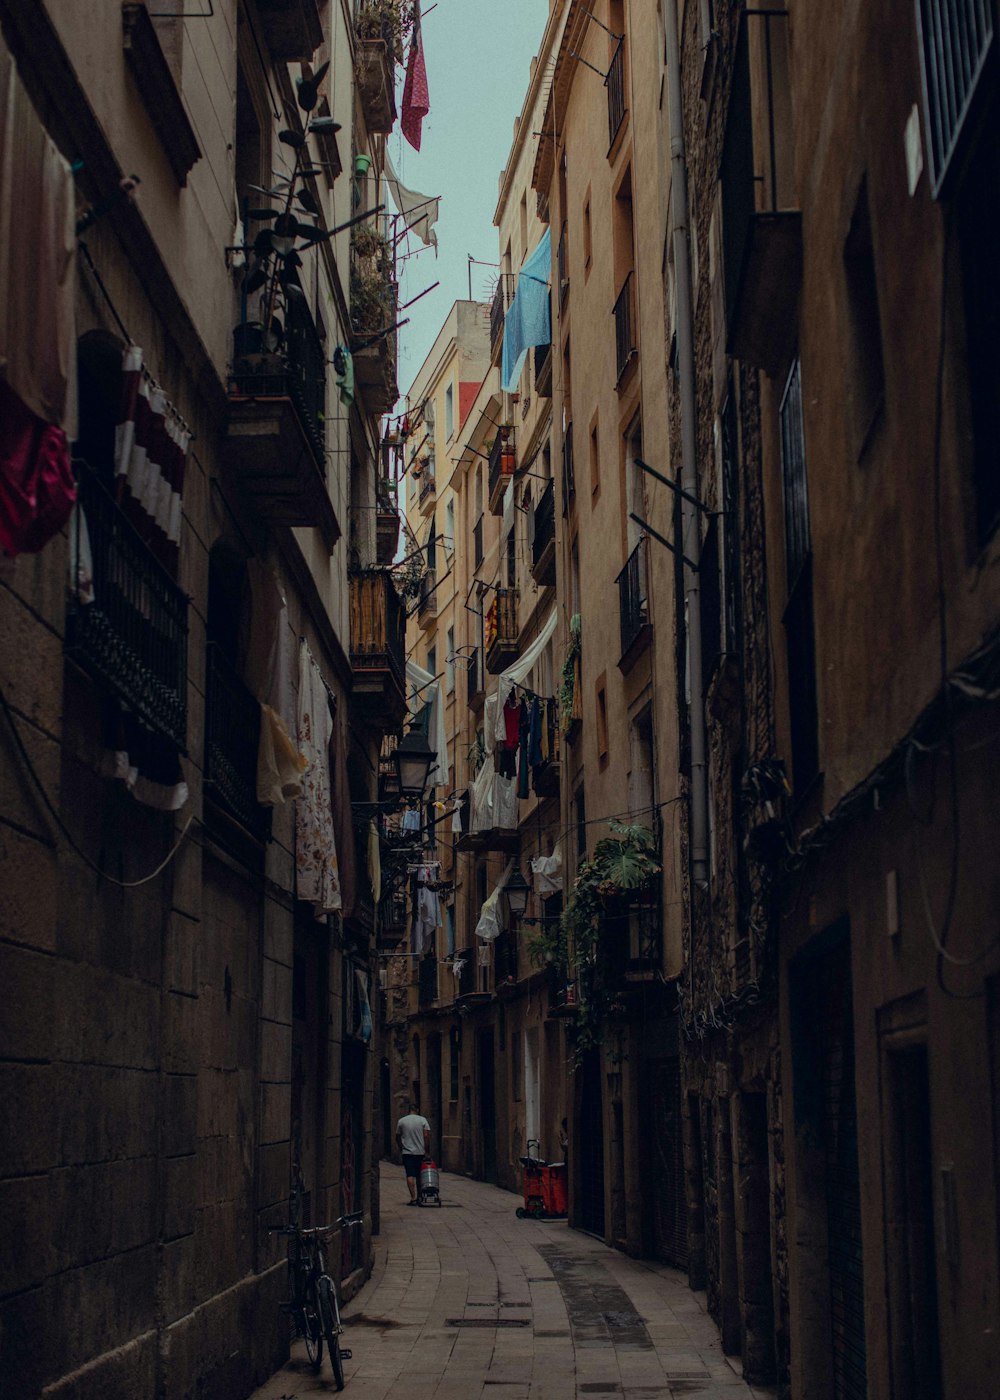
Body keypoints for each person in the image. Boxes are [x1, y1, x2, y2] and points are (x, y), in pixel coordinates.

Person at [396, 1104, 431, 1205]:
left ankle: (413, 1198)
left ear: (409, 1110)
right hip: (420, 1152)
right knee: (420, 1175)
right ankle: (420, 1197)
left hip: (407, 1152)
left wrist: (401, 1147)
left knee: (410, 1174)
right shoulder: (423, 1120)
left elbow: (397, 1136)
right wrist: (427, 1152)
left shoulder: (401, 1121)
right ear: (417, 1110)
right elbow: (426, 1136)